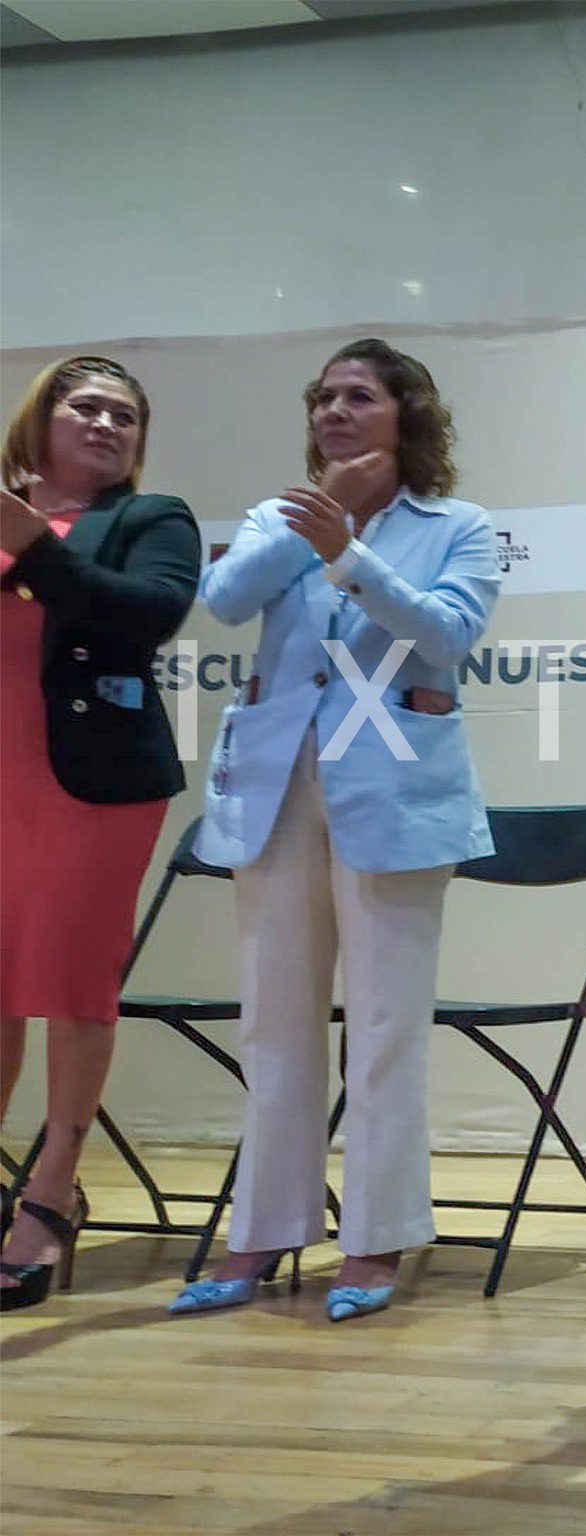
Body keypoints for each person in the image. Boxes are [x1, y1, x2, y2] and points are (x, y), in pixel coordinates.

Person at [168, 339, 500, 1324]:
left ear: (408, 415)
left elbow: (445, 633)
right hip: (274, 788)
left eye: (358, 396)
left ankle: (376, 1235)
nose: (334, 410)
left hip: (393, 789)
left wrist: (348, 554)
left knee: (387, 1023)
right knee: (273, 1021)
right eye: (322, 396)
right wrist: (318, 522)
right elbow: (224, 601)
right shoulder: (282, 516)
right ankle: (264, 1229)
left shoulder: (458, 525)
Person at [0, 357, 200, 1311]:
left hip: (90, 782)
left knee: (72, 980)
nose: (107, 422)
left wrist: (33, 545)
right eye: (87, 405)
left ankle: (52, 1188)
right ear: (38, 419)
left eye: (126, 413)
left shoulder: (151, 521)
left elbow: (145, 616)